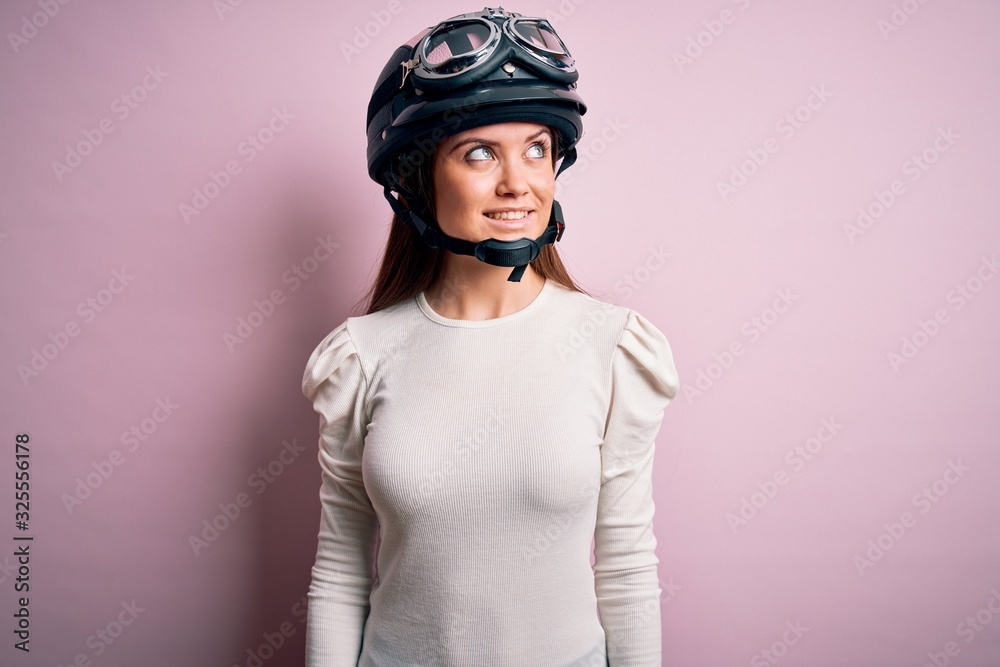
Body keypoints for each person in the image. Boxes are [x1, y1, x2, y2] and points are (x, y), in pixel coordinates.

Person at [301, 7, 679, 665]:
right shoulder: (360, 358)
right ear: (417, 180)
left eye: (537, 149)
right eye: (479, 153)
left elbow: (626, 569)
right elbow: (340, 570)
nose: (518, 183)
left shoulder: (614, 347)